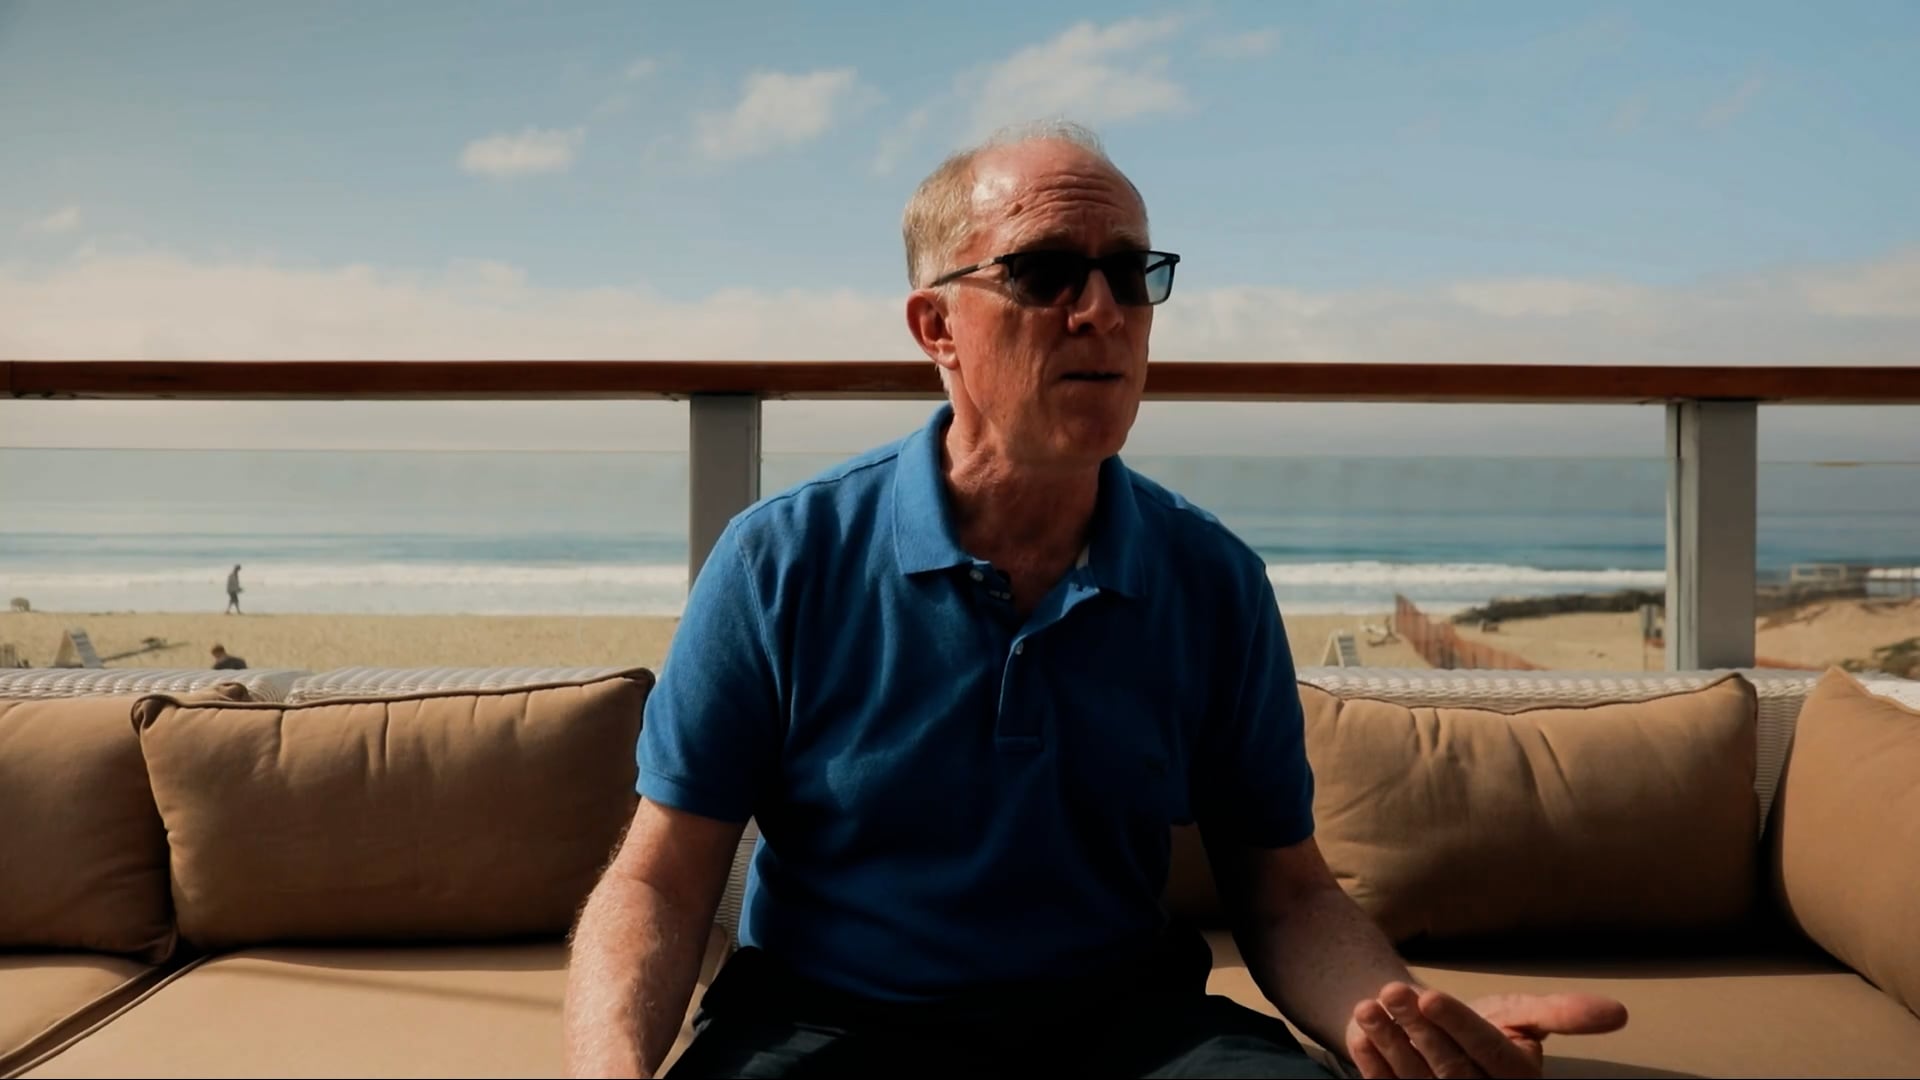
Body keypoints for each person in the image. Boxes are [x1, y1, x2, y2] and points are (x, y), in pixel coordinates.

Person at [563, 121, 1629, 1079]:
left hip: (1126, 1033)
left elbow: (1289, 894)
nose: (1102, 313)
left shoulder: (1211, 579)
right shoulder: (780, 561)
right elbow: (660, 882)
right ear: (936, 326)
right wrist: (609, 1068)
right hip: (829, 1026)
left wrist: (1394, 1024)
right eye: (1046, 273)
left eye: (1129, 274)